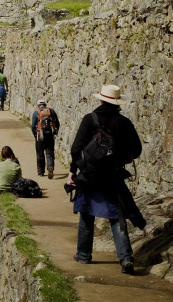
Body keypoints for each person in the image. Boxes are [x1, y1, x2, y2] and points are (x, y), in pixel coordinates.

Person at [67, 84, 146, 275]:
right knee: (117, 217)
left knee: (86, 215)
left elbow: (76, 149)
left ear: (101, 100)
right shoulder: (124, 123)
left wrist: (73, 172)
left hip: (88, 175)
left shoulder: (89, 119)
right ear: (117, 102)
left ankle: (84, 255)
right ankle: (126, 258)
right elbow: (136, 151)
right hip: (113, 176)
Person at [31, 99, 60, 178]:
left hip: (40, 135)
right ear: (45, 104)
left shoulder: (36, 113)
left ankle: (41, 172)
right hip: (50, 134)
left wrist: (35, 135)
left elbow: (33, 126)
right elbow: (57, 122)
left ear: (38, 106)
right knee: (49, 152)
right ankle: (50, 166)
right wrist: (55, 132)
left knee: (40, 153)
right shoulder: (51, 111)